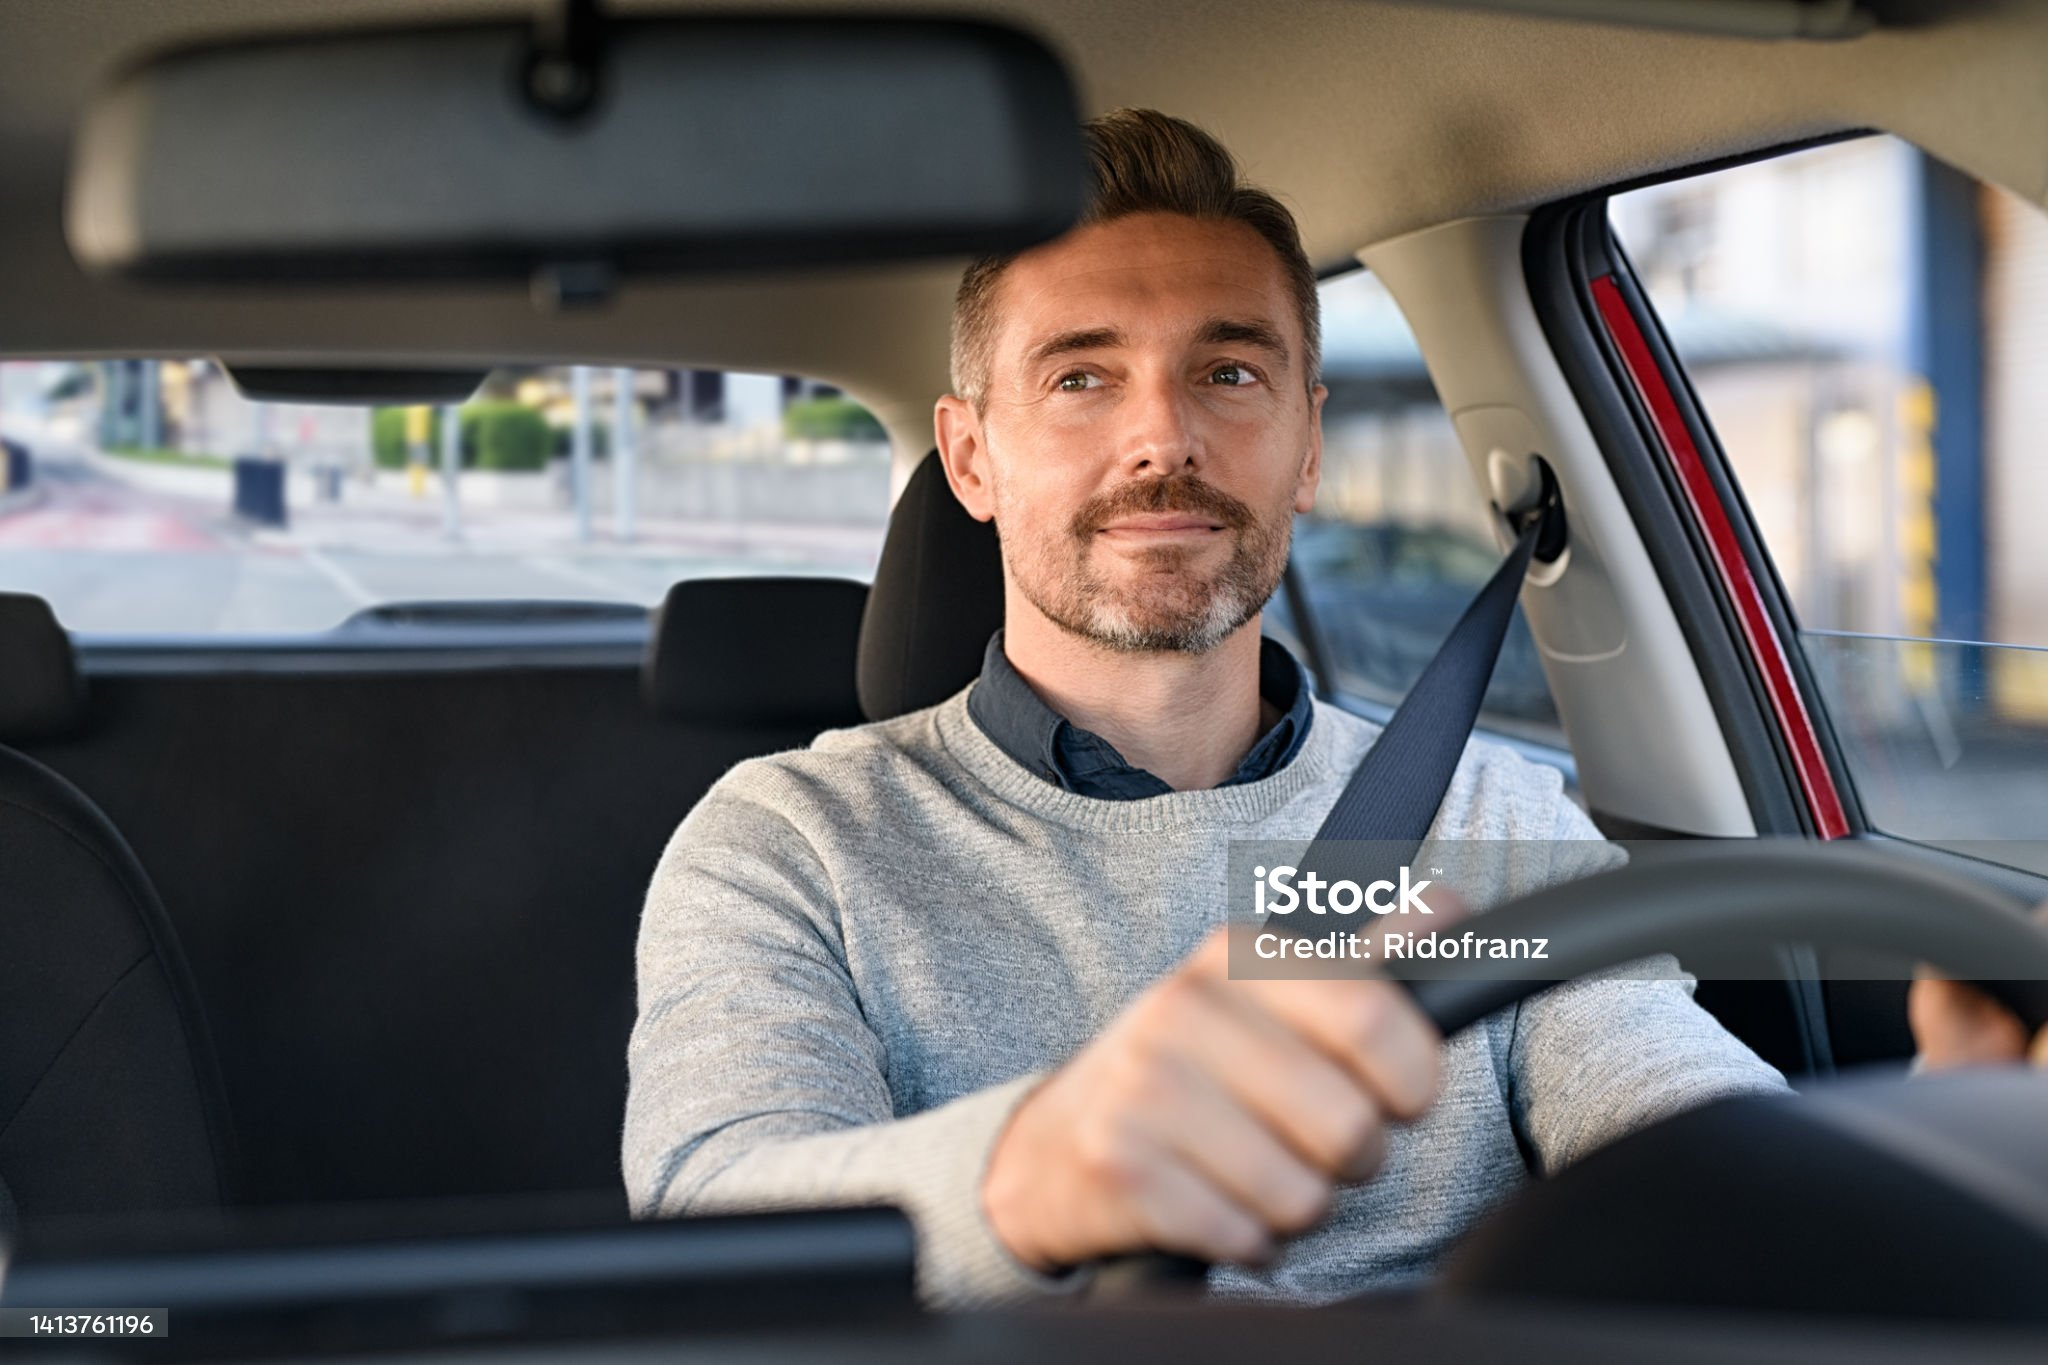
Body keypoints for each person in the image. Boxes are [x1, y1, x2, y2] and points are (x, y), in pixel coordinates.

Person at [622, 108, 2022, 1308]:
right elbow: (713, 1208)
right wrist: (1043, 1166)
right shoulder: (791, 841)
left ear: (1305, 449)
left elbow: (1667, 1111)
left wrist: (1934, 1155)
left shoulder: (1488, 819)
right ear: (973, 458)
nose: (1162, 434)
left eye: (1229, 372)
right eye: (1082, 376)